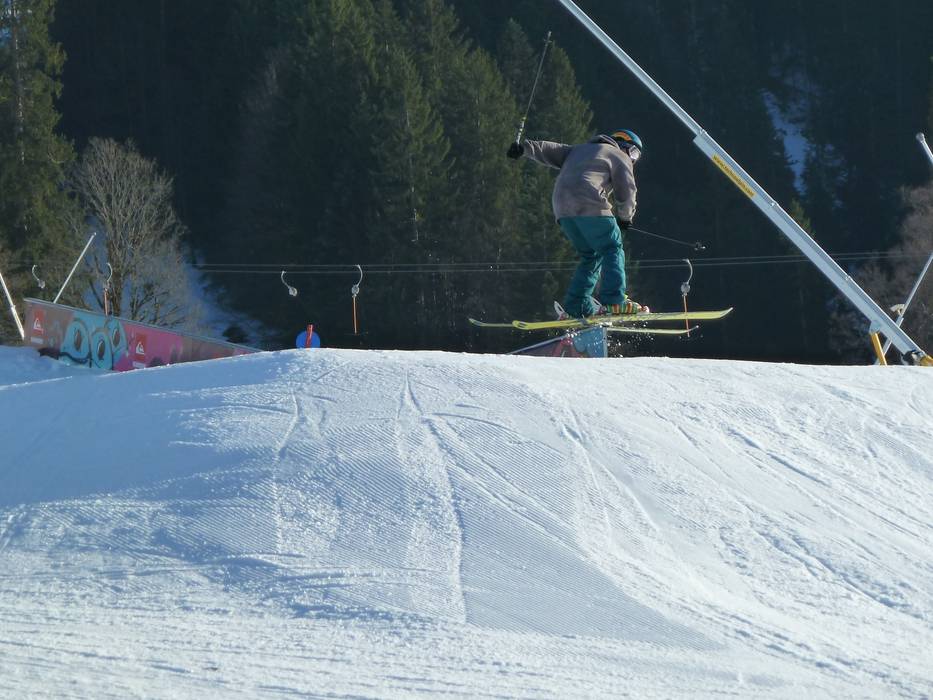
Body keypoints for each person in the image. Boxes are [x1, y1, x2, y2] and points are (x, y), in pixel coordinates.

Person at [507, 129, 646, 318]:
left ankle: (577, 305)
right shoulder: (619, 155)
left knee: (591, 256)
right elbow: (627, 192)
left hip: (562, 210)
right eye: (635, 154)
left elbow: (548, 149)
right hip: (589, 203)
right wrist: (625, 218)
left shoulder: (577, 150)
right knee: (612, 248)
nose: (634, 159)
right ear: (625, 146)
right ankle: (614, 301)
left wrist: (524, 148)